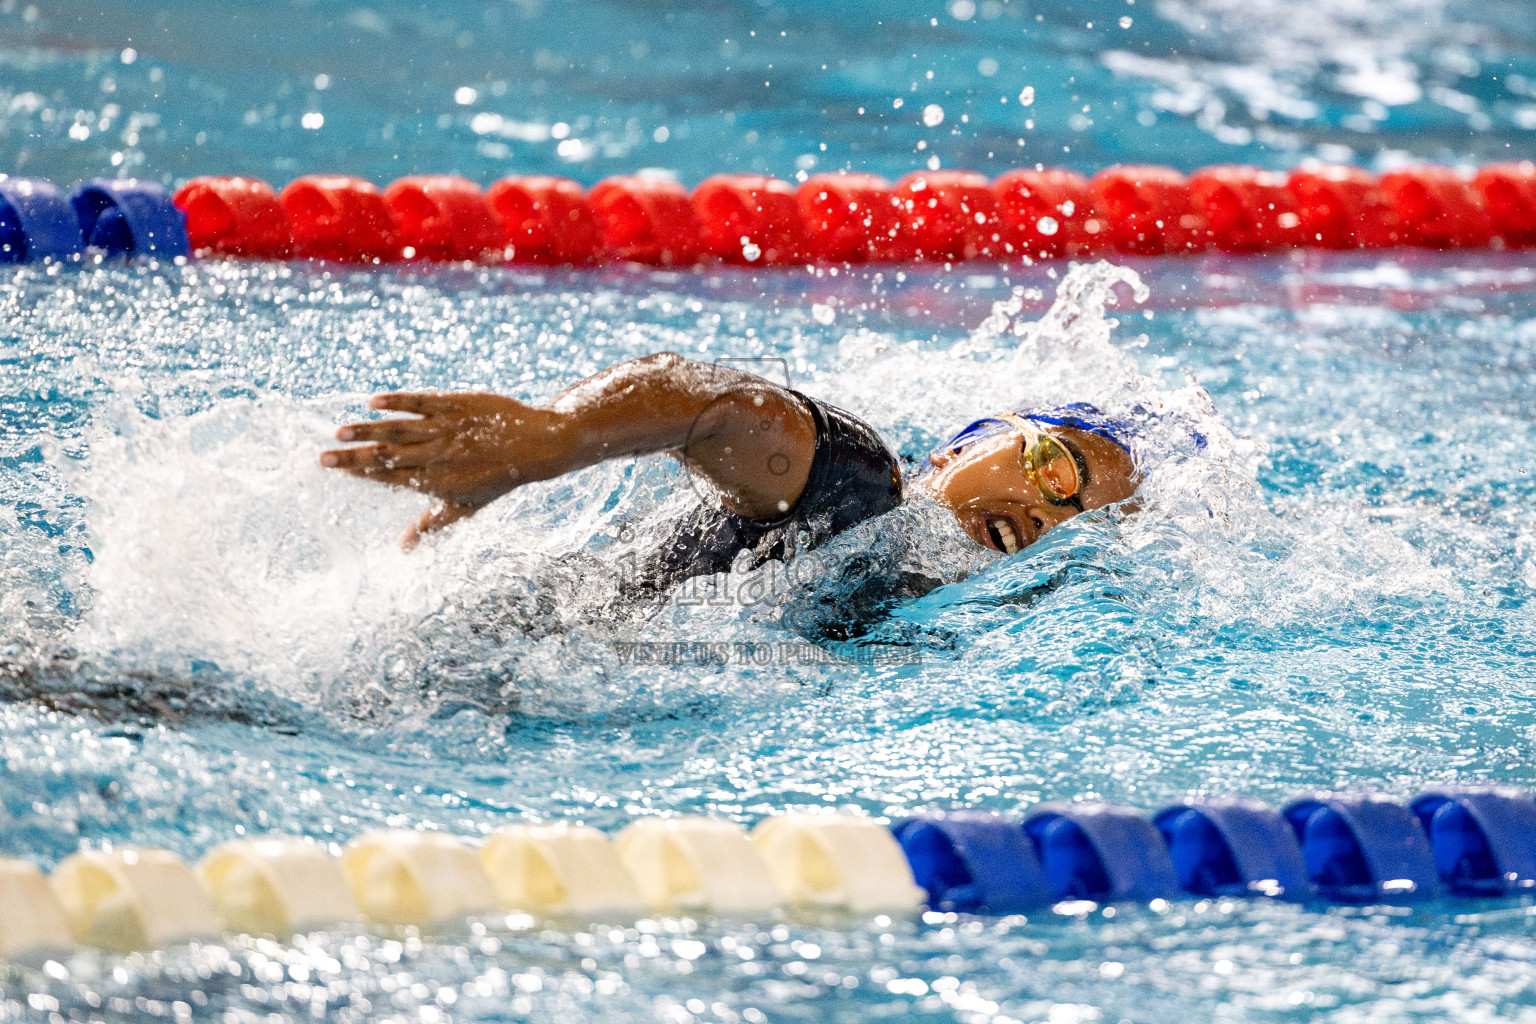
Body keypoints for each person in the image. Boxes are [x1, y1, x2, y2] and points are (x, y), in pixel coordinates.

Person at [320, 352, 1139, 596]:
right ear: (959, 448)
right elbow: (732, 410)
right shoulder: (864, 496)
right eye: (1053, 468)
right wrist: (547, 440)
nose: (1050, 516)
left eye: (1083, 522)